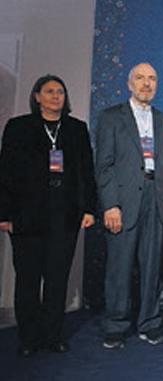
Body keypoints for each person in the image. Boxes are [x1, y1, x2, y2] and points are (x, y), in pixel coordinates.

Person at [0, 75, 96, 357]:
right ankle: (28, 338)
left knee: (57, 280)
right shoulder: (19, 127)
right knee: (27, 280)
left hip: (64, 215)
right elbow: (5, 172)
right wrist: (4, 213)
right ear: (37, 96)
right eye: (50, 91)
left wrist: (89, 208)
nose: (56, 96)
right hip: (26, 216)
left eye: (61, 92)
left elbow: (86, 172)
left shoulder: (76, 129)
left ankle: (53, 336)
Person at [96, 62, 163, 349]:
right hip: (124, 200)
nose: (146, 83)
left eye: (152, 78)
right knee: (119, 265)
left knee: (152, 266)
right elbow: (104, 166)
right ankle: (116, 325)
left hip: (156, 197)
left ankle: (149, 323)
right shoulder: (111, 117)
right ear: (129, 84)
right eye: (140, 78)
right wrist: (110, 205)